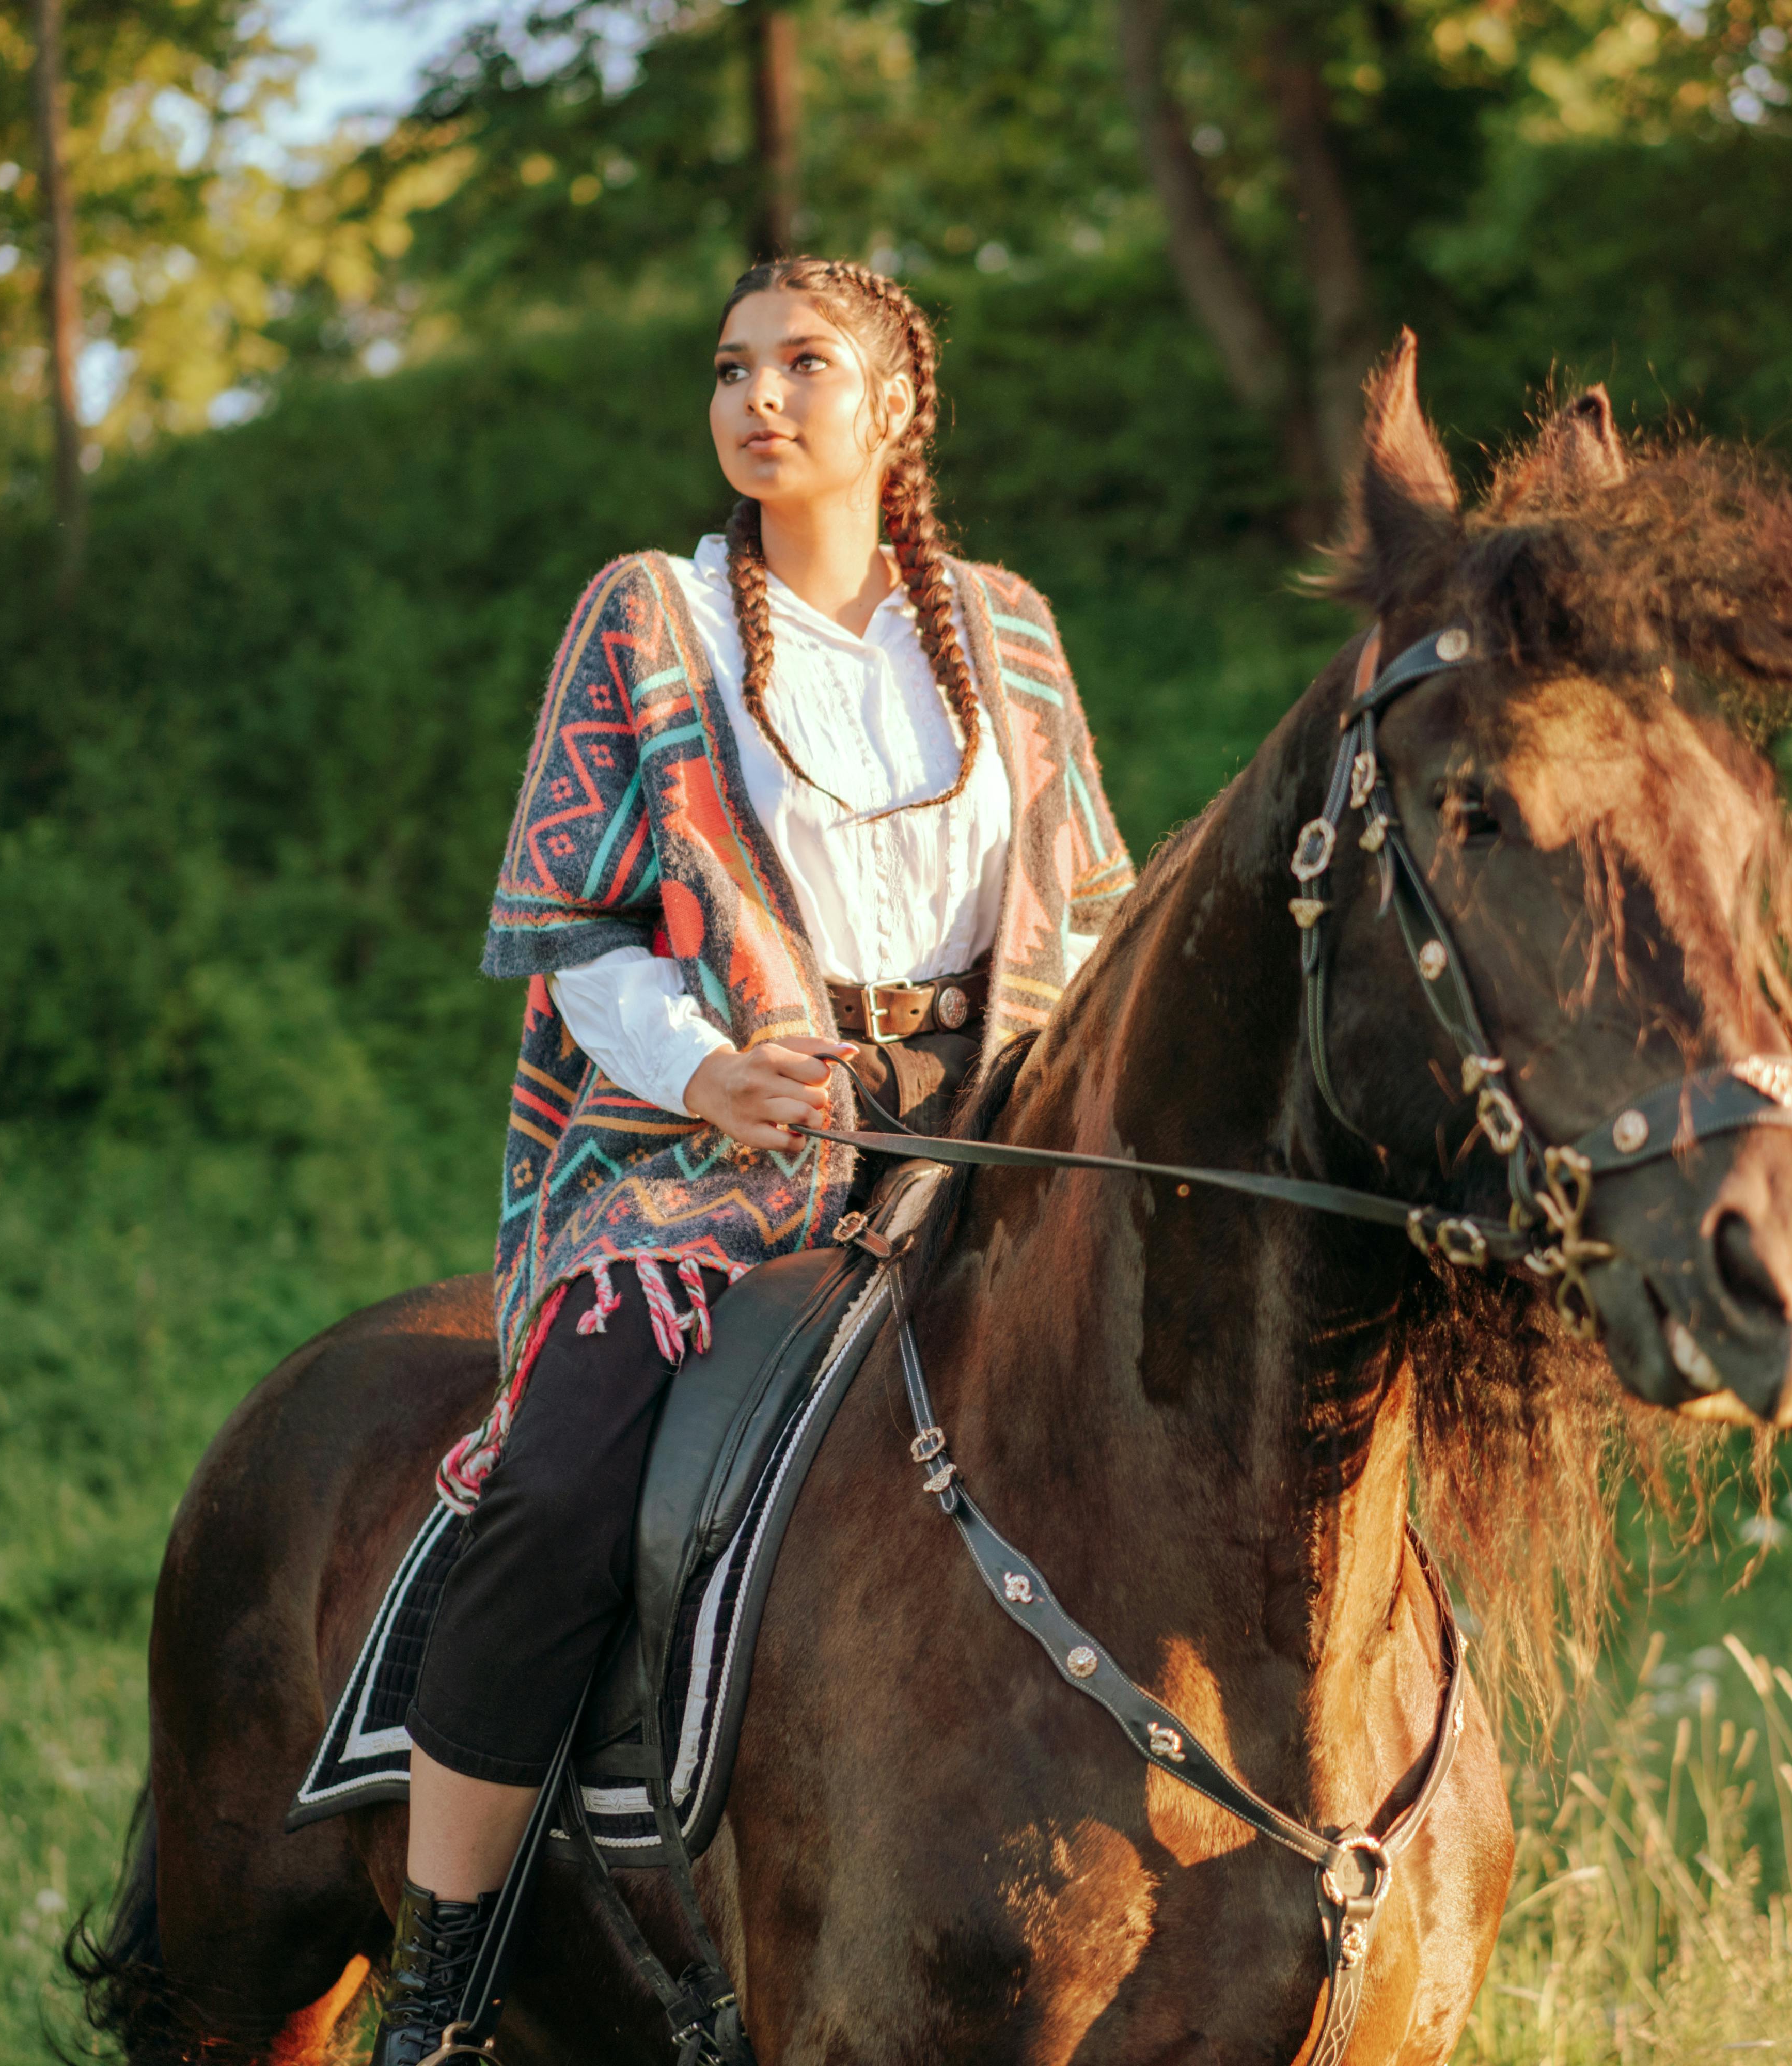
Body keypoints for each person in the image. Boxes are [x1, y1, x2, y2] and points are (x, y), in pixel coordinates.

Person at [370, 256, 1135, 2062]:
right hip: (694, 1167)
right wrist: (713, 1074)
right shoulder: (648, 614)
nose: (758, 398)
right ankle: (443, 1990)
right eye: (731, 369)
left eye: (805, 364)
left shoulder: (1010, 634)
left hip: (982, 1144)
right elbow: (584, 927)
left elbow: (1082, 920)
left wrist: (1014, 1092)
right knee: (556, 1487)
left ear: (897, 408)